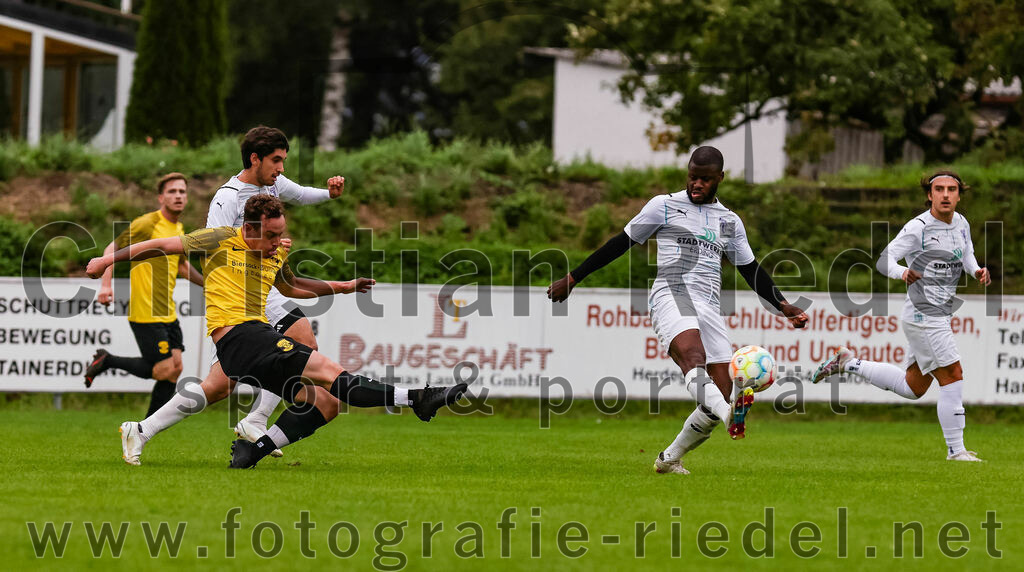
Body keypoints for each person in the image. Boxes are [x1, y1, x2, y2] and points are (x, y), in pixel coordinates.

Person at [86, 195, 466, 467]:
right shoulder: (218, 239)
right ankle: (418, 397)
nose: (276, 243)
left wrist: (342, 286)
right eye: (269, 236)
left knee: (327, 401)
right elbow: (158, 246)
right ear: (249, 228)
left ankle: (246, 448)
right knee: (328, 371)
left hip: (256, 340)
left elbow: (291, 287)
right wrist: (106, 260)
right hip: (238, 338)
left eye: (280, 234)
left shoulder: (276, 252)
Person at [548, 146, 808, 475]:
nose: (696, 184)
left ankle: (669, 458)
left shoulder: (729, 221)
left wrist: (782, 304)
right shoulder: (664, 206)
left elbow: (750, 269)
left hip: (709, 305)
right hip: (672, 292)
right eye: (692, 177)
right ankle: (732, 415)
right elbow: (621, 242)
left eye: (705, 179)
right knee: (692, 356)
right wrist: (573, 277)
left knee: (718, 395)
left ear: (720, 179)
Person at [812, 170, 991, 462]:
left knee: (913, 387)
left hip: (938, 313)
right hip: (924, 313)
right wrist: (903, 272)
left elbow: (967, 251)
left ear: (959, 195)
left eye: (951, 189)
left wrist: (976, 270)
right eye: (939, 189)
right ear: (929, 195)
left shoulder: (961, 223)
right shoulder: (918, 227)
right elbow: (885, 260)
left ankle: (849, 363)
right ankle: (956, 451)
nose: (945, 194)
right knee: (953, 375)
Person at [209, 125, 346, 456]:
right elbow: (213, 248)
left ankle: (142, 430)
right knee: (301, 345)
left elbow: (300, 193)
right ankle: (256, 419)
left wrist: (329, 193)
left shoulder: (272, 185)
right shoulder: (228, 196)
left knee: (219, 384)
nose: (281, 169)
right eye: (277, 161)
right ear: (255, 159)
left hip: (266, 286)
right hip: (242, 292)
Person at [86, 172, 205, 416]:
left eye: (182, 191)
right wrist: (106, 285)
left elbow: (182, 266)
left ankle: (149, 428)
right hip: (146, 309)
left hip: (167, 310)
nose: (178, 196)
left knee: (175, 368)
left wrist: (208, 284)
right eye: (172, 191)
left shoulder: (179, 227)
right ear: (161, 197)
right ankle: (108, 362)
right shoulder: (147, 223)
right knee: (164, 370)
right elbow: (112, 249)